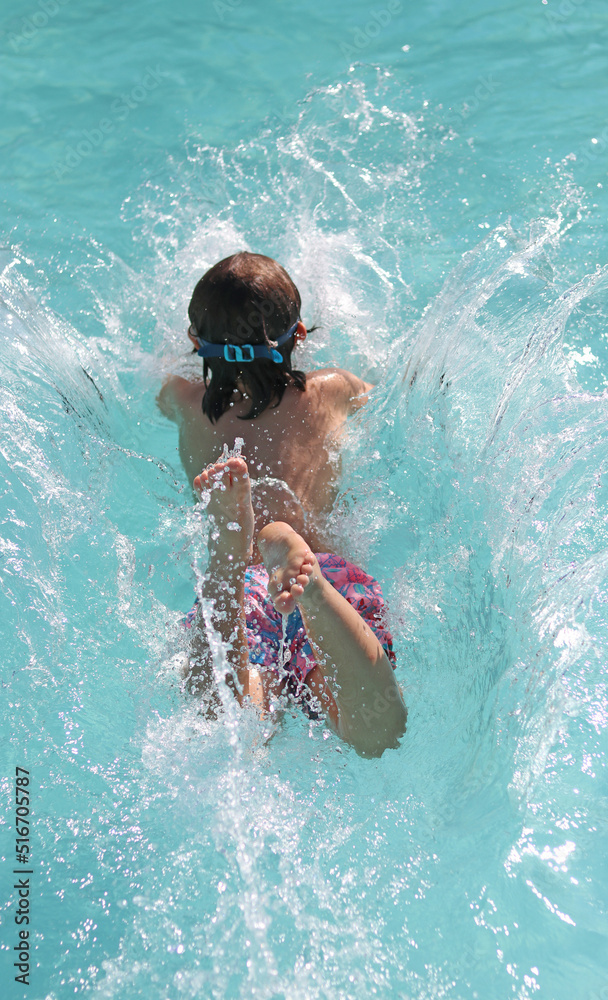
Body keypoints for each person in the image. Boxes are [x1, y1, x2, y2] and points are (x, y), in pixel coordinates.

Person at [158, 252, 406, 755]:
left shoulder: (184, 403)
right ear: (299, 338)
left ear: (194, 342)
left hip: (250, 588)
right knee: (377, 736)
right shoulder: (331, 391)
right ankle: (304, 578)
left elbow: (160, 386)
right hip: (319, 570)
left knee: (232, 734)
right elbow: (390, 395)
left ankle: (227, 558)